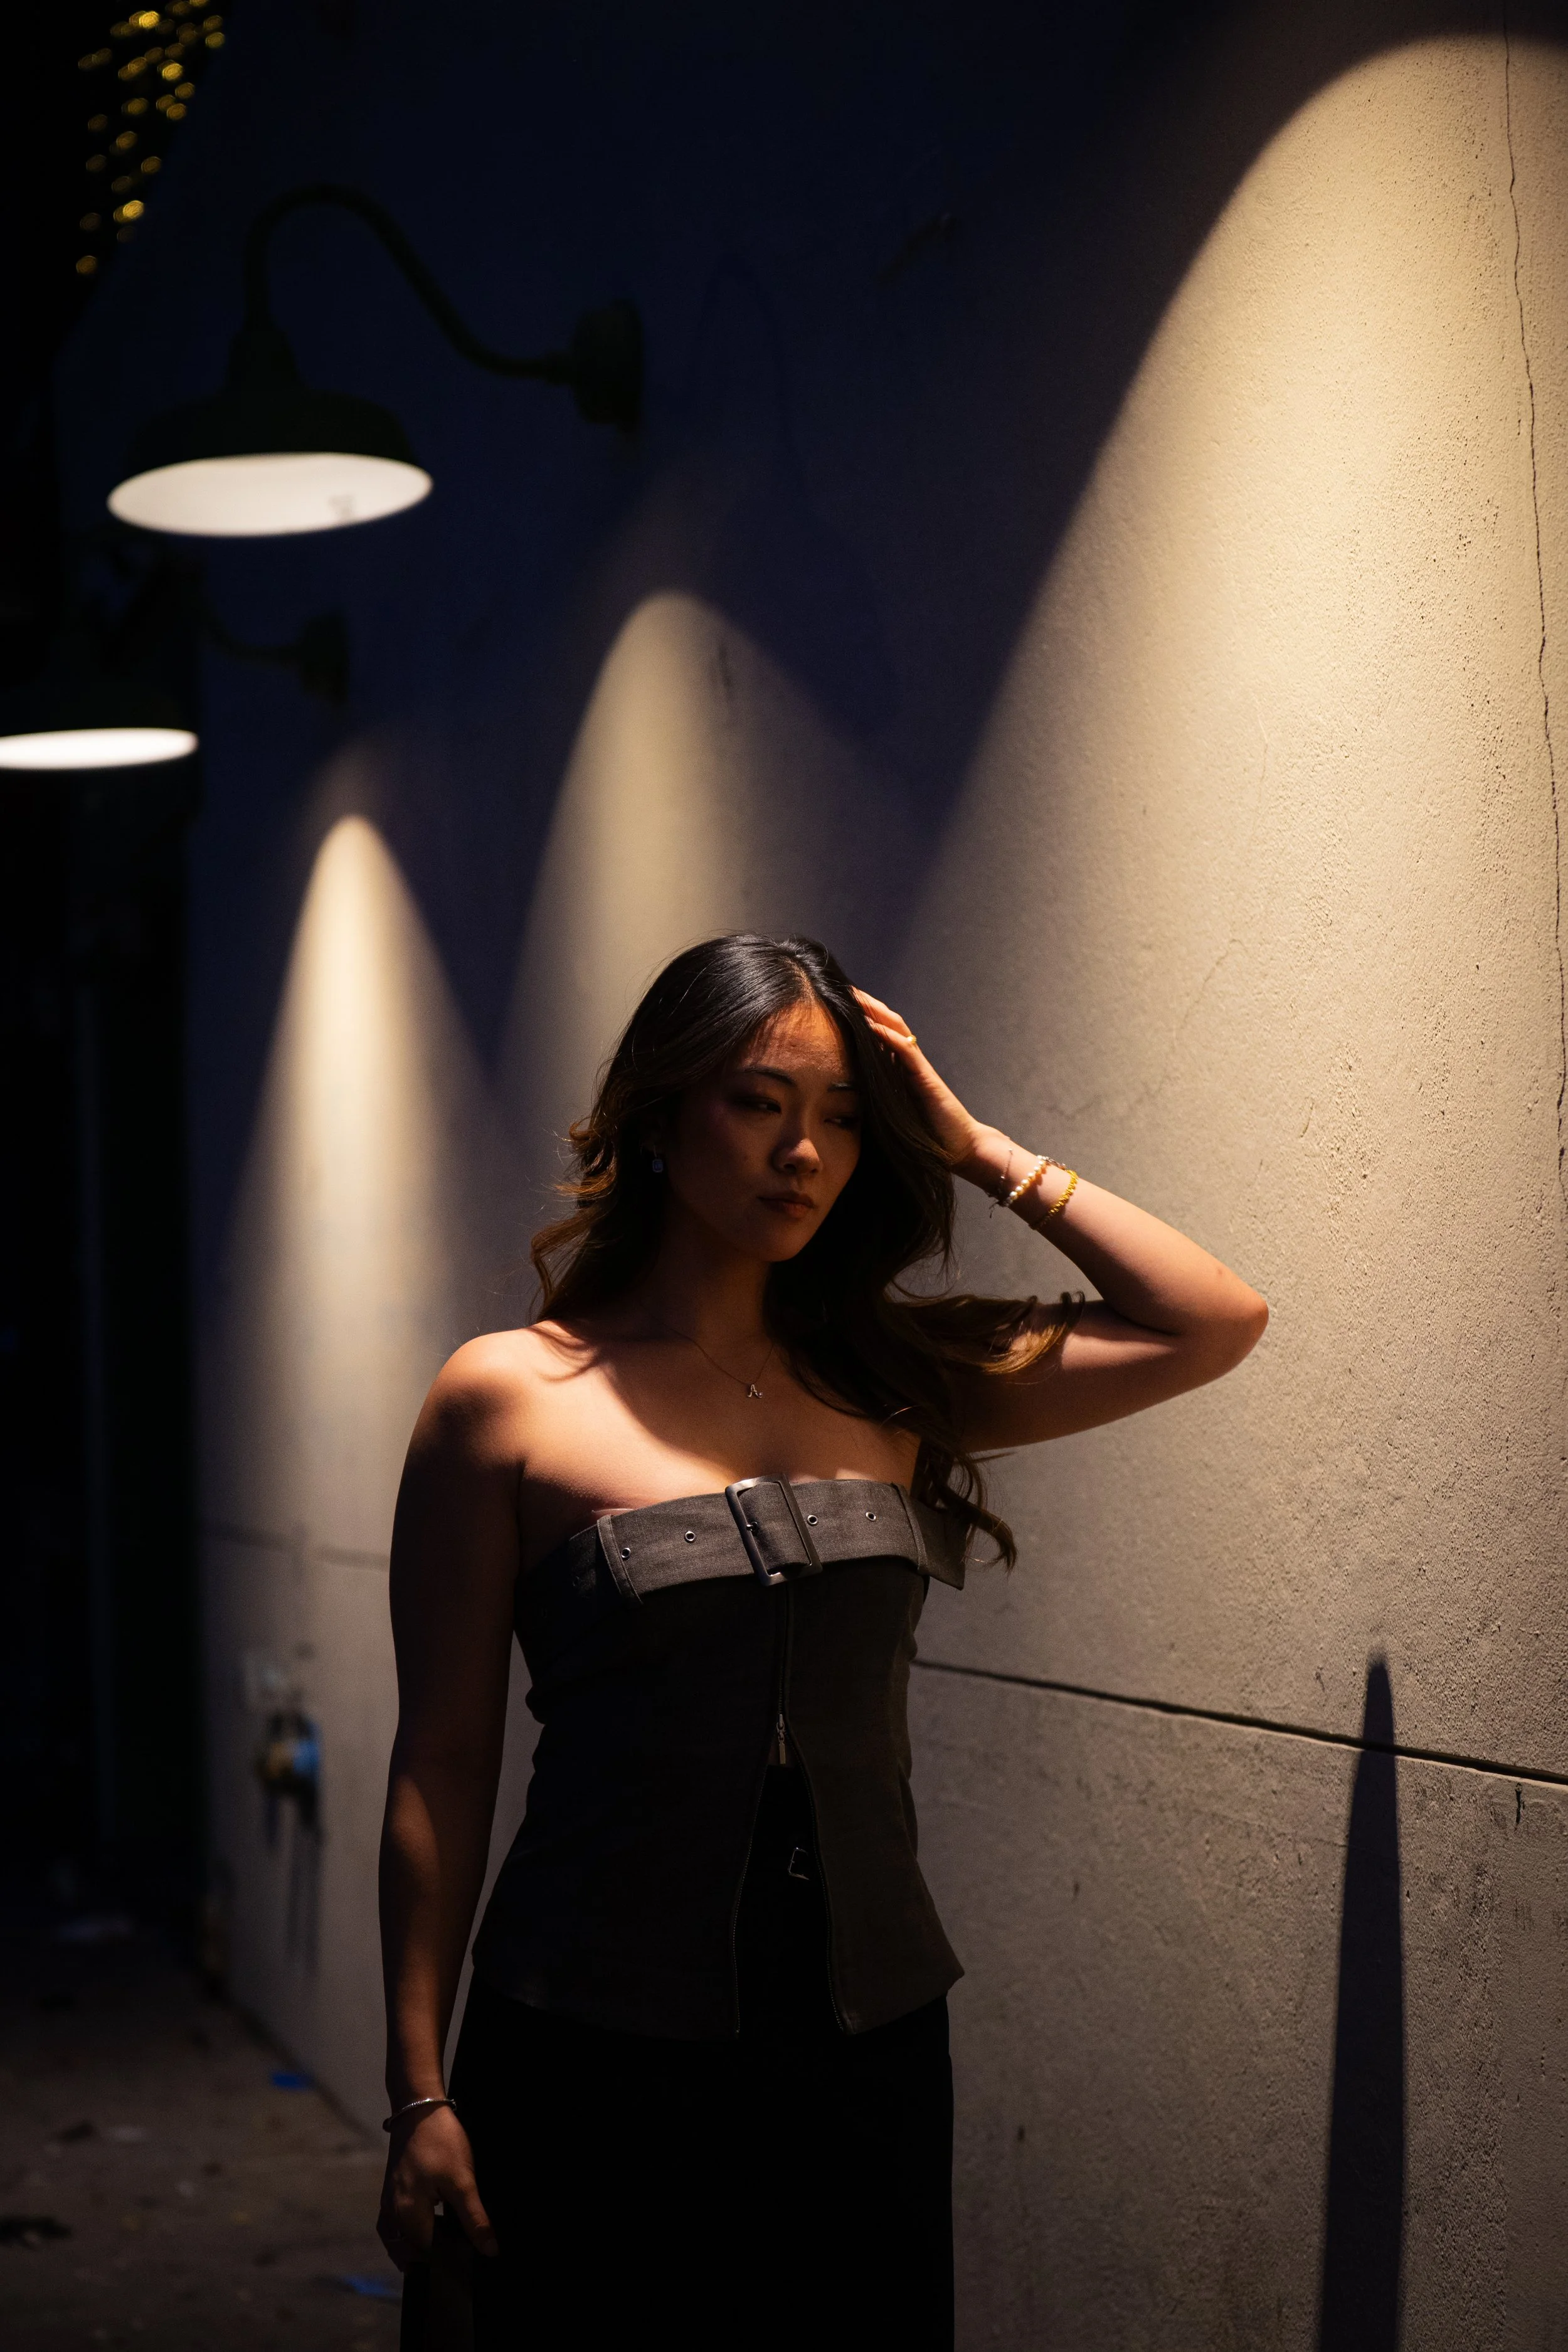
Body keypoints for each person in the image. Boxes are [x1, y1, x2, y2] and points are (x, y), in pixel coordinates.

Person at [375, 931, 1267, 2348]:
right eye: (758, 1101)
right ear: (662, 1116)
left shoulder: (887, 1378)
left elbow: (1212, 1319)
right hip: (589, 2041)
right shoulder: (508, 1398)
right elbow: (440, 1758)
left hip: (865, 2043)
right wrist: (418, 2091)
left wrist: (975, 1149)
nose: (805, 1151)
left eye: (843, 1116)